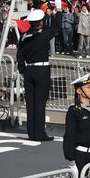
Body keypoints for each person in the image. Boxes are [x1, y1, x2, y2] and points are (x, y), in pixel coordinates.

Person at [17, 9, 58, 141]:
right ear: (40, 22)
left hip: (29, 70)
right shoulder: (44, 34)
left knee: (30, 104)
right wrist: (52, 16)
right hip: (41, 70)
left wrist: (22, 69)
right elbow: (56, 27)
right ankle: (40, 134)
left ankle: (32, 133)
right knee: (40, 104)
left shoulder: (24, 36)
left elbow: (20, 54)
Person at [63, 73, 90, 178]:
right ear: (79, 91)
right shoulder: (74, 111)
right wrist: (71, 162)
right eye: (88, 87)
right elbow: (69, 136)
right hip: (80, 156)